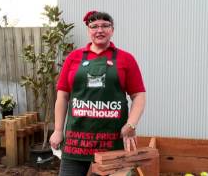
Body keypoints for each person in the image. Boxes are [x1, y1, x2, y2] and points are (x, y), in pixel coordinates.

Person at [49, 10, 146, 176]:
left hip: (112, 142)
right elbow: (63, 95)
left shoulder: (126, 59)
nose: (99, 30)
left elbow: (139, 95)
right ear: (88, 31)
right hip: (76, 141)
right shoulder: (73, 57)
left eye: (105, 26)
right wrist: (58, 130)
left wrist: (131, 124)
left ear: (112, 30)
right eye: (94, 26)